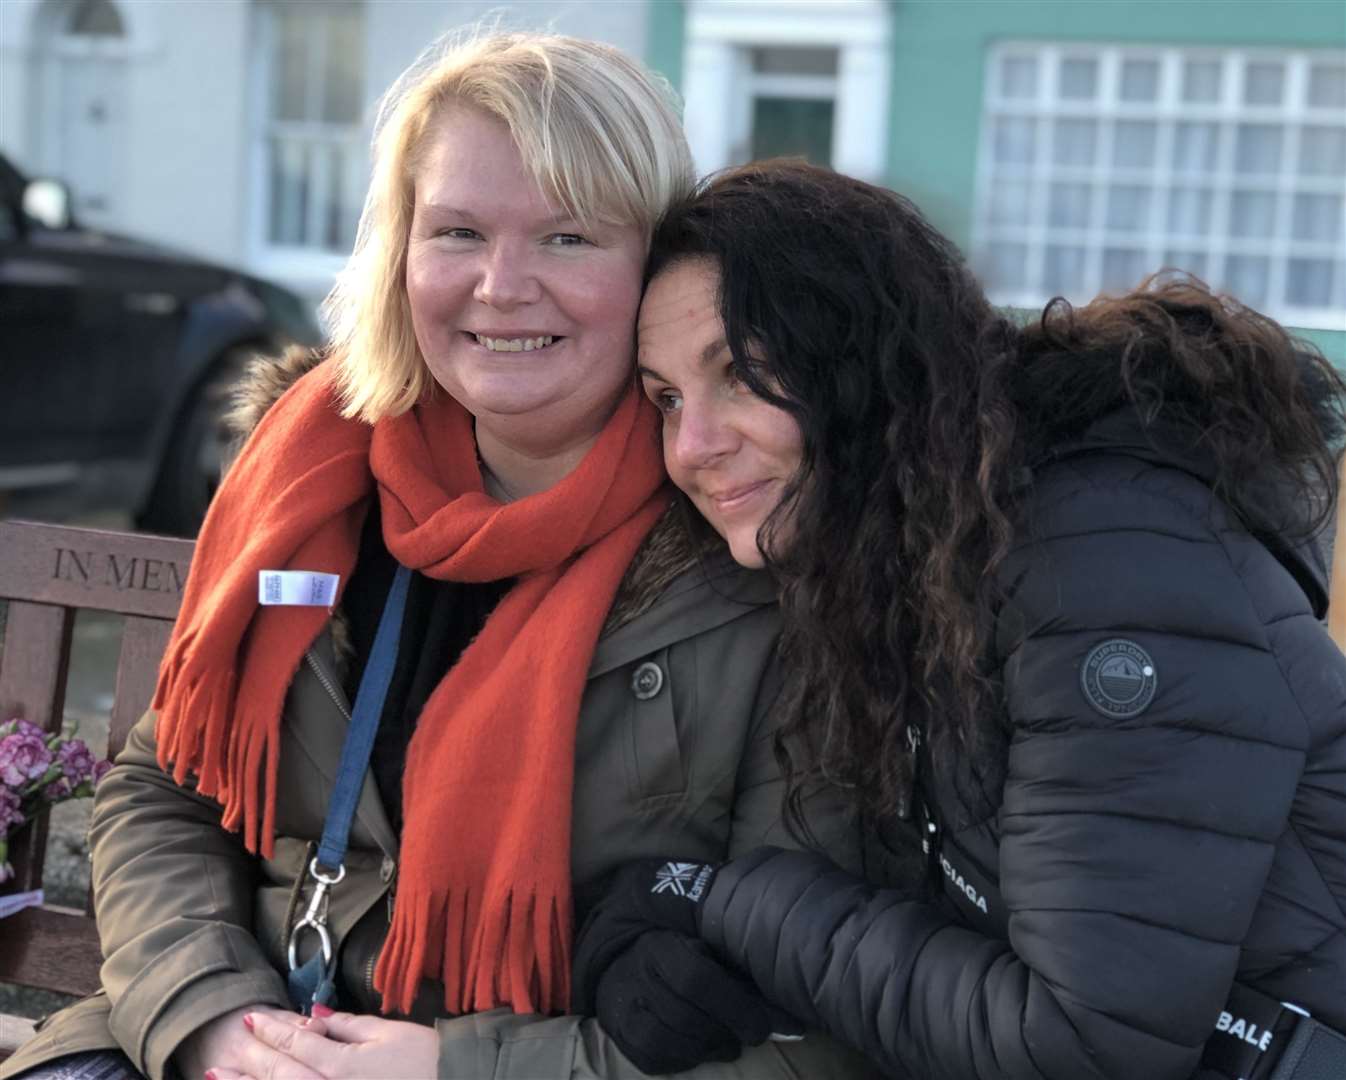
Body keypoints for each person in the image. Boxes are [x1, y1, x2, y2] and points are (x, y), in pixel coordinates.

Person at [0, 46, 877, 1080]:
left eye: (567, 235)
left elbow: (804, 1021)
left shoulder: (747, 536)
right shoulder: (310, 480)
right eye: (457, 232)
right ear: (399, 252)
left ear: (654, 262)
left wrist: (451, 1067)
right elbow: (168, 785)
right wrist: (210, 1022)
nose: (502, 289)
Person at [573, 161, 1346, 1080]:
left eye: (741, 372)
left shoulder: (1100, 557)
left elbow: (1080, 1044)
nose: (694, 447)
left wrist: (720, 903)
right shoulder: (913, 566)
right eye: (666, 399)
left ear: (863, 357)